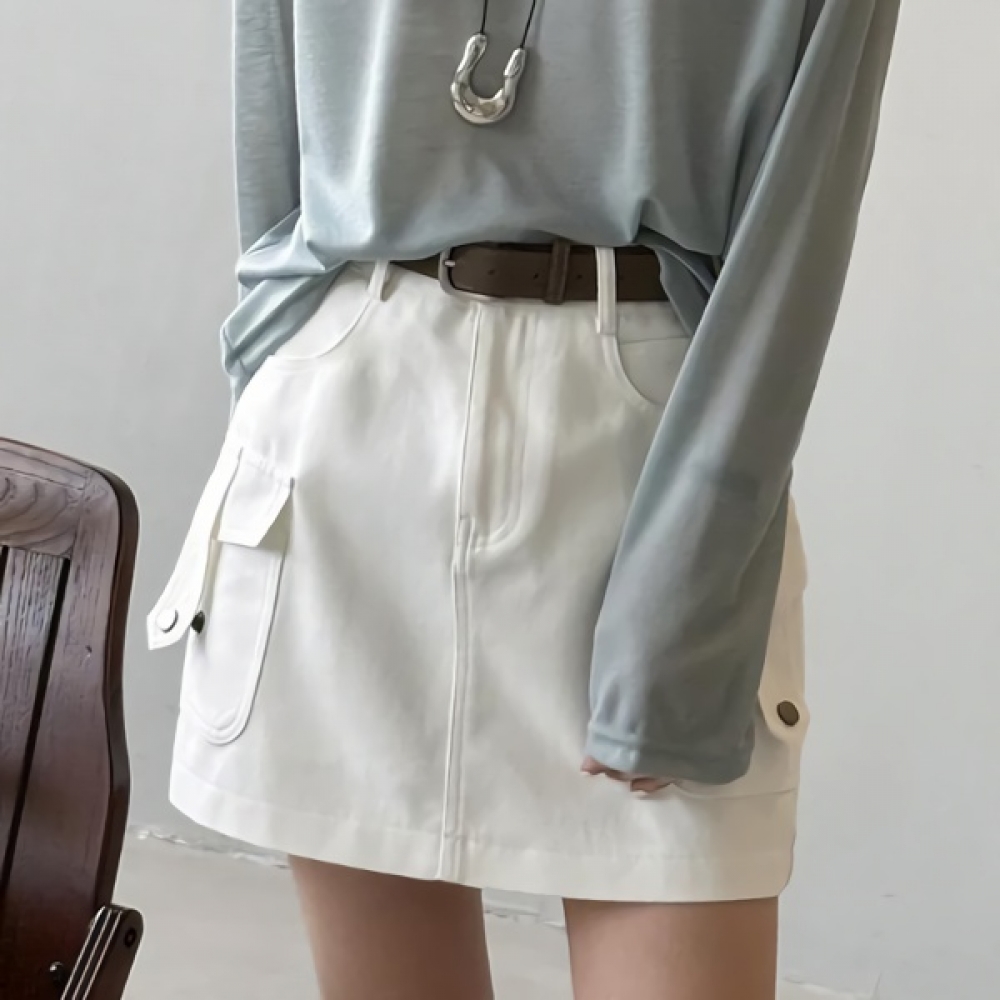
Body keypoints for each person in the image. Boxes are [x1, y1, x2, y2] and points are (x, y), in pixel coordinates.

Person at [148, 2, 899, 997]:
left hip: (644, 454)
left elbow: (798, 225)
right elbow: (273, 119)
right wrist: (281, 375)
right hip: (351, 420)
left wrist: (687, 592)